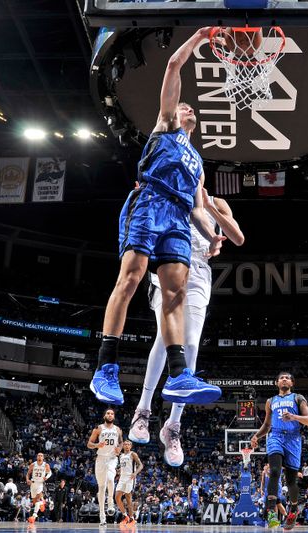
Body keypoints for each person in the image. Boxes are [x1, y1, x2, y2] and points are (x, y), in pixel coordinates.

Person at [89, 27, 226, 407]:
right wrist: (200, 36)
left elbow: (198, 208)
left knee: (176, 293)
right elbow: (173, 63)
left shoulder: (197, 161)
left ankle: (180, 375)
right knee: (131, 279)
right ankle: (106, 368)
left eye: (191, 109)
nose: (189, 108)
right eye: (185, 106)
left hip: (180, 218)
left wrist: (211, 235)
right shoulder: (165, 125)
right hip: (150, 203)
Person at [129, 186, 244, 466]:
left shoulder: (215, 201)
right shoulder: (166, 191)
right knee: (165, 339)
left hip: (199, 273)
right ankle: (143, 410)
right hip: (168, 265)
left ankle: (173, 425)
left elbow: (238, 237)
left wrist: (209, 206)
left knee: (191, 343)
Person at [250, 371, 308, 530]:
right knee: (275, 470)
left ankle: (293, 509)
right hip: (275, 436)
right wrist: (256, 436)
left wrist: (294, 417)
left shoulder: (298, 398)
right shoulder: (270, 401)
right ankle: (271, 511)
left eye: (287, 378)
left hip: (293, 438)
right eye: (281, 378)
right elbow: (266, 425)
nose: (284, 379)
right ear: (277, 383)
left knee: (291, 480)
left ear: (292, 383)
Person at [88, 408, 123, 525]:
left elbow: (121, 442)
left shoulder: (117, 429)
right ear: (104, 416)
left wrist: (120, 448)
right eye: (108, 413)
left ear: (114, 416)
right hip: (100, 459)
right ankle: (102, 515)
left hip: (112, 458)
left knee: (110, 478)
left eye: (112, 413)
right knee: (101, 487)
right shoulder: (98, 428)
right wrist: (97, 444)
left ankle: (111, 502)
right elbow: (89, 444)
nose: (110, 415)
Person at [115, 440, 143, 524]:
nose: (127, 446)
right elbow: (123, 467)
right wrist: (118, 471)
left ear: (130, 446)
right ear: (123, 446)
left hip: (130, 477)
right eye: (125, 444)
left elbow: (141, 465)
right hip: (122, 478)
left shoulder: (133, 454)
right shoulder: (121, 456)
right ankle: (125, 515)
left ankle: (131, 518)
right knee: (117, 497)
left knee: (128, 498)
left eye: (128, 444)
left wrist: (135, 473)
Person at [25, 453, 52, 524]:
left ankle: (33, 517)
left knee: (37, 500)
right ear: (36, 457)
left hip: (40, 483)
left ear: (43, 457)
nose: (39, 456)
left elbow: (50, 473)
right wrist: (27, 480)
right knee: (35, 502)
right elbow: (28, 474)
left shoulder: (46, 465)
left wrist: (47, 477)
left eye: (41, 456)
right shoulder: (33, 465)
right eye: (38, 455)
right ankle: (42, 502)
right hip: (33, 484)